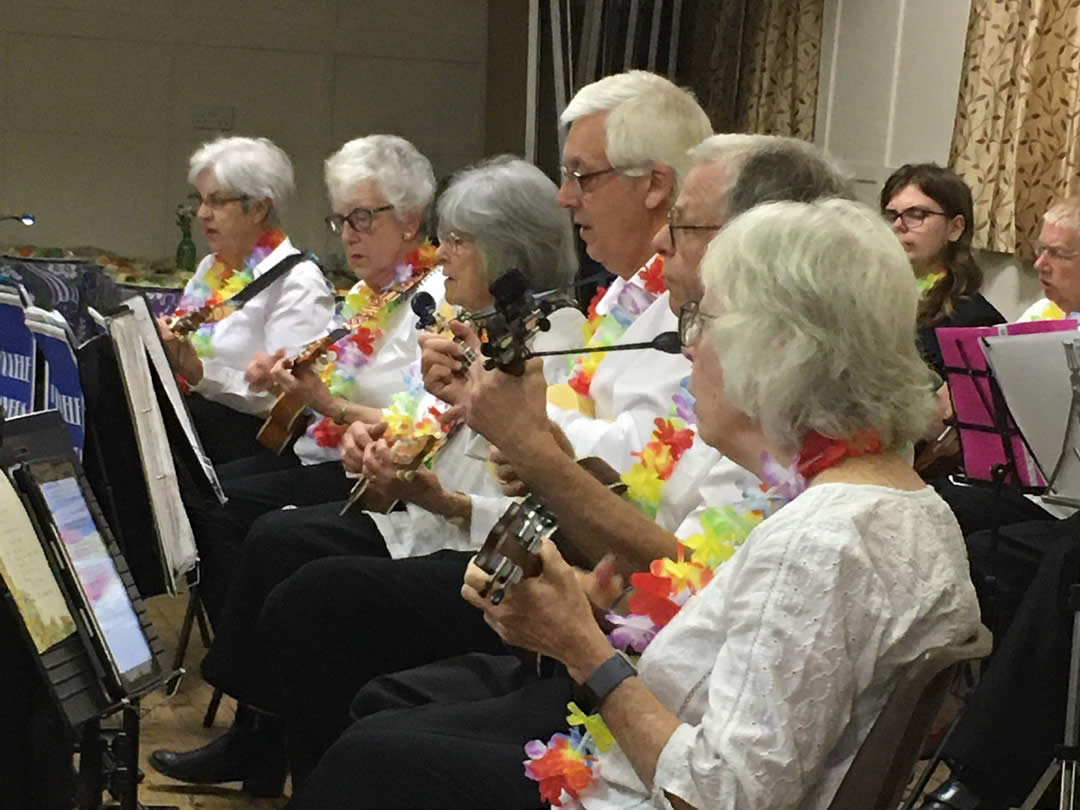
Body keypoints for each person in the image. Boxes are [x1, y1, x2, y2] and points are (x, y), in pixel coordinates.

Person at [289, 198, 984, 810]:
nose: (689, 351)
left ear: (777, 350)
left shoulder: (822, 542)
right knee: (384, 732)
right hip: (628, 759)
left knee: (370, 758)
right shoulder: (899, 501)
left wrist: (583, 648)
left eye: (701, 323)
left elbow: (719, 797)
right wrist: (585, 610)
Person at [258, 129, 858, 793]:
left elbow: (719, 729)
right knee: (356, 677)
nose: (661, 243)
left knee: (341, 666)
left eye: (681, 225)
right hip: (610, 646)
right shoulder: (745, 409)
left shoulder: (805, 478)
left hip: (634, 708)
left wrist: (580, 624)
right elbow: (668, 563)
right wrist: (489, 492)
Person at [148, 156, 583, 796]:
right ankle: (274, 745)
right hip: (424, 509)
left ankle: (294, 759)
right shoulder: (460, 323)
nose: (445, 254)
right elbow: (425, 427)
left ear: (505, 250)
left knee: (288, 560)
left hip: (476, 544)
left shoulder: (543, 339)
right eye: (341, 219)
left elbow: (524, 491)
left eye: (457, 241)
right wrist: (381, 451)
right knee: (264, 534)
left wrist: (375, 443)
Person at [182, 134, 442, 625]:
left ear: (410, 219)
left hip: (381, 479)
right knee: (205, 493)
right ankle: (245, 641)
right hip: (324, 455)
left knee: (223, 506)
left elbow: (427, 421)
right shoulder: (368, 294)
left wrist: (326, 404)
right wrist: (281, 374)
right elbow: (323, 376)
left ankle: (252, 653)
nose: (348, 234)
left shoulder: (432, 299)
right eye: (341, 220)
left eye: (362, 218)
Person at [916, 198, 1080, 810]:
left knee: (1060, 564)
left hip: (1065, 510)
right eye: (1039, 248)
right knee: (948, 516)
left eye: (1057, 254)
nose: (1038, 263)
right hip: (1050, 492)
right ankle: (922, 702)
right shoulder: (1040, 320)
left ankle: (986, 772)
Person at [158, 135, 334, 464]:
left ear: (258, 207)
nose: (202, 214)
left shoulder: (298, 282)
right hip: (200, 418)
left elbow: (287, 404)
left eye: (216, 202)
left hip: (249, 440)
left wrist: (200, 374)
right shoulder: (211, 266)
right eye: (200, 200)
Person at [881, 163, 1004, 379]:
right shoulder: (867, 295)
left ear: (955, 228)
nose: (898, 225)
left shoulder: (973, 319)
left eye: (917, 214)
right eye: (892, 215)